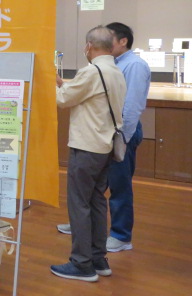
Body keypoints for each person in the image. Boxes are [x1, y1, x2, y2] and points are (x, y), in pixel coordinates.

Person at [56, 23, 151, 253]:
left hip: (110, 137)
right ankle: (93, 243)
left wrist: (122, 138)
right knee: (95, 194)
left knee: (115, 187)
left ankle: (118, 236)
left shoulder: (129, 66)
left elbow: (132, 107)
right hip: (108, 137)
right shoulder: (113, 68)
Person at [51, 26, 126, 282]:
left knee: (79, 204)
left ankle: (81, 263)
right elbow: (85, 95)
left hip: (86, 148)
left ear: (89, 46)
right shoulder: (115, 71)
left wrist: (49, 84)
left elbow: (62, 100)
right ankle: (98, 258)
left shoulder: (91, 71)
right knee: (96, 202)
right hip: (105, 147)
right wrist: (62, 84)